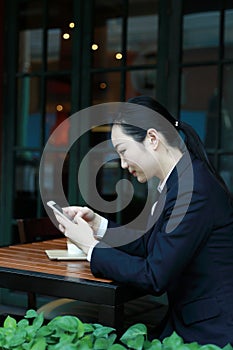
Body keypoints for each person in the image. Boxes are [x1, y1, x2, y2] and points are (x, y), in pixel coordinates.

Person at [54, 95, 233, 347]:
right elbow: (151, 244)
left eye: (123, 151)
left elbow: (154, 275)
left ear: (152, 138)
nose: (124, 164)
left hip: (211, 333)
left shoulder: (191, 190)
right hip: (191, 320)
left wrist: (90, 248)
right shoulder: (179, 180)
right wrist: (97, 225)